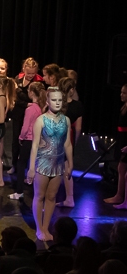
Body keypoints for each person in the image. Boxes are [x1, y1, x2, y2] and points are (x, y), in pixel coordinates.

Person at [28, 86, 73, 241]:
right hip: (42, 162)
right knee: (39, 195)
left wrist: (70, 164)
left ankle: (46, 228)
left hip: (58, 163)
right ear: (47, 101)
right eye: (54, 100)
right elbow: (34, 145)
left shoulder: (66, 120)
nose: (57, 102)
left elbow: (67, 144)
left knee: (52, 196)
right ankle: (39, 229)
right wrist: (31, 168)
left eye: (60, 100)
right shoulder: (41, 120)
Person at [9, 82, 46, 200]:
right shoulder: (41, 108)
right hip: (37, 139)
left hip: (28, 140)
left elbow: (25, 127)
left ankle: (19, 191)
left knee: (21, 164)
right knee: (34, 164)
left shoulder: (30, 109)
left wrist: (20, 138)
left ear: (31, 93)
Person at [10, 58, 44, 175]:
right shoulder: (17, 79)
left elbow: (35, 98)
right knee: (15, 141)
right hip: (18, 114)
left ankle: (27, 167)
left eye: (33, 73)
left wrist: (20, 95)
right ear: (23, 69)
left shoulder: (38, 82)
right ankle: (14, 165)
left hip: (31, 114)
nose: (30, 75)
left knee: (27, 141)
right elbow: (15, 97)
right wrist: (25, 103)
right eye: (28, 73)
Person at [57, 77, 83, 208]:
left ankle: (49, 197)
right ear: (72, 90)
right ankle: (69, 198)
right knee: (67, 168)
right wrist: (75, 143)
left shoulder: (56, 103)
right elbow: (78, 128)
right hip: (69, 137)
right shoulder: (77, 105)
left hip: (55, 137)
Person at [106, 84, 127, 207]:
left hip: (126, 140)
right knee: (121, 168)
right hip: (122, 139)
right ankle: (119, 195)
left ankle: (121, 197)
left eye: (124, 93)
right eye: (121, 92)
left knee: (123, 169)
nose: (121, 95)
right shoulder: (124, 106)